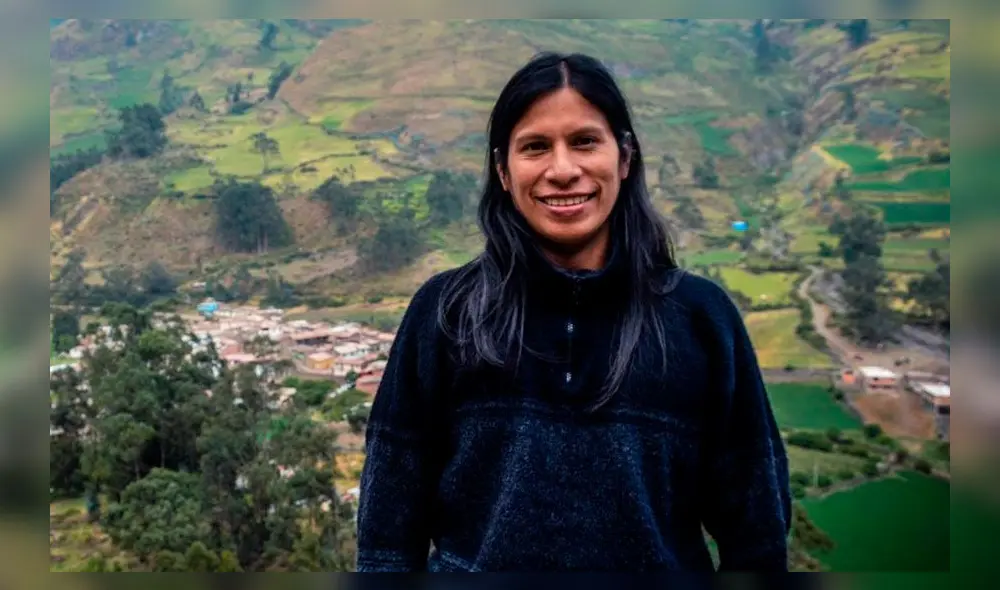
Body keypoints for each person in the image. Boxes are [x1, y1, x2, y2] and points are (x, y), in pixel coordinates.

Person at [355, 51, 791, 572]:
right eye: (535, 147)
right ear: (502, 170)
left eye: (585, 141)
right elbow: (387, 536)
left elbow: (757, 535)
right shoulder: (446, 313)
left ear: (624, 158)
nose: (563, 171)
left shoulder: (701, 320)